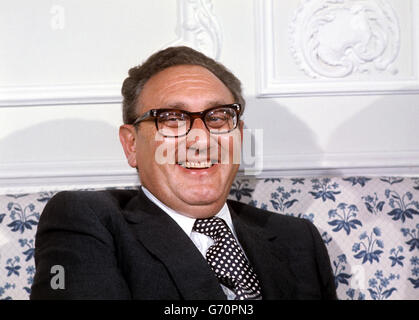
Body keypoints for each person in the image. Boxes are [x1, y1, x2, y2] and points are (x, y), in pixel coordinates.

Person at [30, 46, 337, 300]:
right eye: (172, 119)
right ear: (132, 144)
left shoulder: (297, 238)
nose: (201, 140)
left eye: (218, 117)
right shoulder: (85, 220)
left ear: (239, 136)